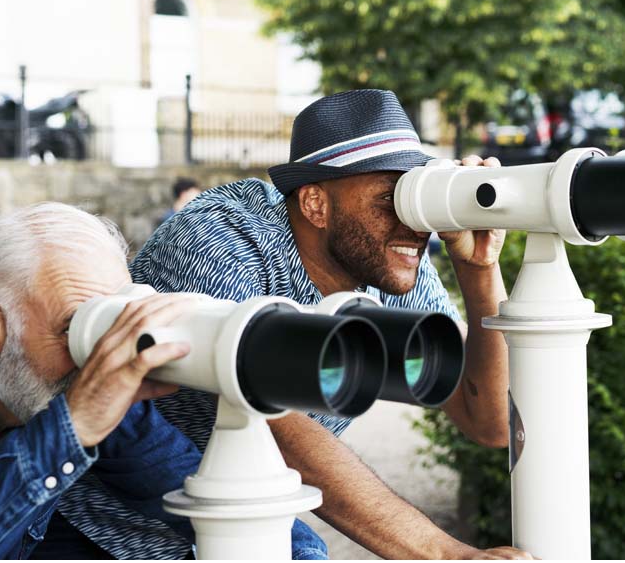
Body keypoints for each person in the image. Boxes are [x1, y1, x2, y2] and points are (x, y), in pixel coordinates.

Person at [60, 89, 530, 559]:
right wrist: (448, 555)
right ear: (315, 205)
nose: (413, 226)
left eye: (414, 198)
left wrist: (480, 269)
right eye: (390, 198)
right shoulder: (220, 241)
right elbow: (284, 434)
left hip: (238, 510)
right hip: (102, 521)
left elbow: (487, 421)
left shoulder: (389, 258)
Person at [0, 202, 326, 560]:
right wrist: (74, 424)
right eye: (75, 329)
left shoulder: (71, 355)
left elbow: (187, 486)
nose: (96, 355)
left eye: (108, 321)